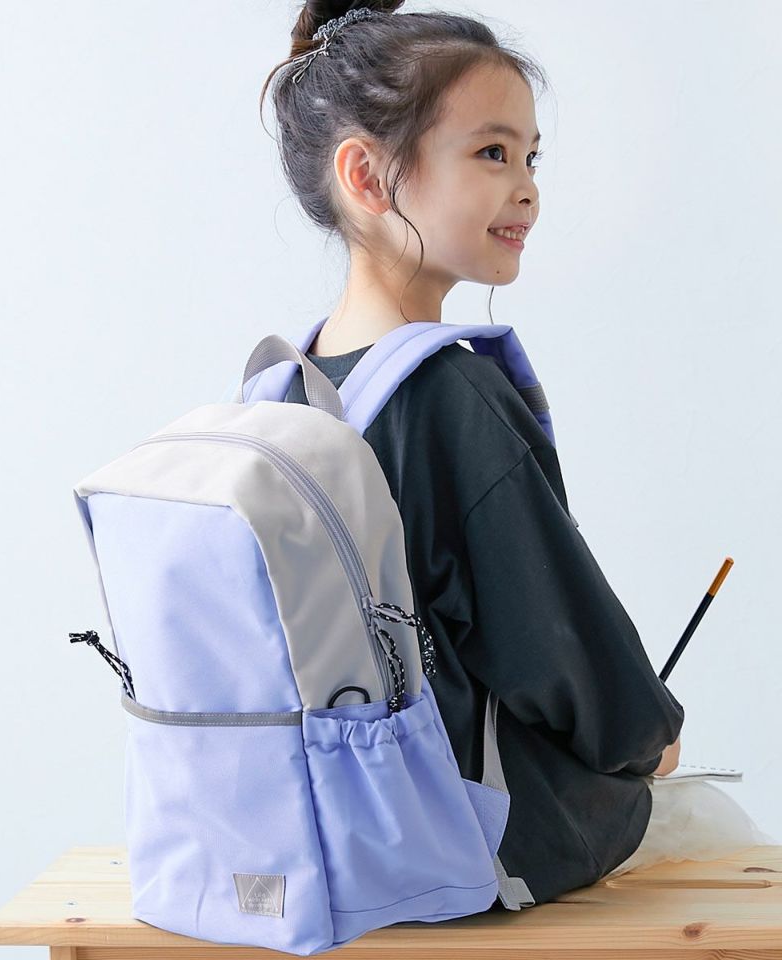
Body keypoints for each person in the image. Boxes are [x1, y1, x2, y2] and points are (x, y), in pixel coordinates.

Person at [225, 2, 776, 904]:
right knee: (716, 834)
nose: (526, 190)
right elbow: (555, 637)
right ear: (366, 175)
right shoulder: (449, 393)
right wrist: (648, 737)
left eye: (531, 159)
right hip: (454, 842)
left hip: (312, 830)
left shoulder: (281, 390)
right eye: (491, 153)